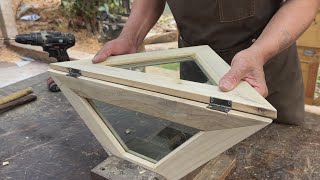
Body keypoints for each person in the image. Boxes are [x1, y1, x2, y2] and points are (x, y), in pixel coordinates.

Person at [92, 0, 320, 125]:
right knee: (198, 137)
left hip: (263, 66)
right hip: (195, 62)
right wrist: (130, 38)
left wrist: (259, 52)